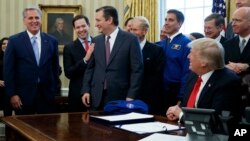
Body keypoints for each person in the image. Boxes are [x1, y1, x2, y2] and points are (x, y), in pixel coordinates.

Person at [166, 38, 243, 134]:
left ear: (204, 62)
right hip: (190, 132)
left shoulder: (228, 82)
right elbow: (188, 105)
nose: (188, 56)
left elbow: (217, 121)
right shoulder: (194, 74)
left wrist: (181, 115)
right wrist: (176, 112)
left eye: (192, 54)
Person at [81, 6, 143, 110]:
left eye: (98, 20)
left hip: (121, 98)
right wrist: (86, 90)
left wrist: (131, 95)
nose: (95, 24)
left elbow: (137, 70)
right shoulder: (96, 41)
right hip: (96, 98)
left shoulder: (131, 40)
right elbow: (90, 68)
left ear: (109, 20)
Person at [4, 7, 59, 115]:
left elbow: (55, 68)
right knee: (23, 129)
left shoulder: (52, 40)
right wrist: (12, 94)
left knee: (46, 130)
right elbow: (8, 70)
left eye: (37, 18)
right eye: (30, 18)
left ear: (41, 20)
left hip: (46, 96)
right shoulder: (14, 41)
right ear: (24, 21)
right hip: (22, 97)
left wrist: (53, 91)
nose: (34, 21)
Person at [155, 9, 191, 115]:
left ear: (179, 23)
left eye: (170, 20)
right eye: (166, 19)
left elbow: (187, 73)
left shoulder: (186, 43)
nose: (166, 22)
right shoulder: (161, 43)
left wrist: (181, 97)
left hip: (175, 92)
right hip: (159, 91)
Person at [130, 16, 165, 115]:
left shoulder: (156, 50)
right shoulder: (124, 49)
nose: (132, 32)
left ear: (145, 31)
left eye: (135, 30)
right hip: (128, 96)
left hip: (148, 99)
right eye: (131, 29)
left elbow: (156, 78)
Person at [63, 15, 94, 112]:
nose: (81, 29)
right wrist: (85, 59)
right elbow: (68, 73)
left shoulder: (98, 42)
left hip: (97, 93)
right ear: (74, 29)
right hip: (77, 95)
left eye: (83, 26)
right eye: (78, 27)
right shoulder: (69, 47)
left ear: (88, 25)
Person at [223, 7, 250, 78]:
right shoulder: (227, 44)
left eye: (238, 20)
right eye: (233, 20)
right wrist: (227, 67)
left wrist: (247, 66)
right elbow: (222, 65)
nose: (233, 24)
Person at [0, 37, 13, 116]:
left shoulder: (15, 57)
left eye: (8, 44)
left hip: (10, 88)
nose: (5, 45)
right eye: (4, 44)